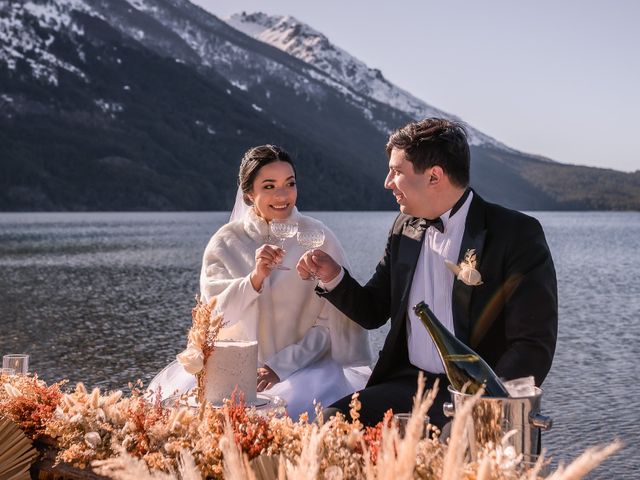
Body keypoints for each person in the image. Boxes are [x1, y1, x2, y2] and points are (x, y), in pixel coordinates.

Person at [297, 118, 558, 429]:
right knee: (327, 424)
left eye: (397, 172)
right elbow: (374, 311)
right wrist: (333, 276)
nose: (387, 182)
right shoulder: (403, 229)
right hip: (407, 385)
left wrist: (487, 403)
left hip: (473, 397)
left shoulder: (515, 234)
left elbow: (533, 343)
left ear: (434, 176)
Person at [149, 145, 372, 419]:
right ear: (248, 194)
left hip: (307, 368)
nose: (282, 195)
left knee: (299, 408)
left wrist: (280, 367)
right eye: (269, 186)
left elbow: (332, 323)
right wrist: (255, 279)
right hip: (237, 369)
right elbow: (213, 318)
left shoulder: (318, 237)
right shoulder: (225, 243)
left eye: (289, 184)